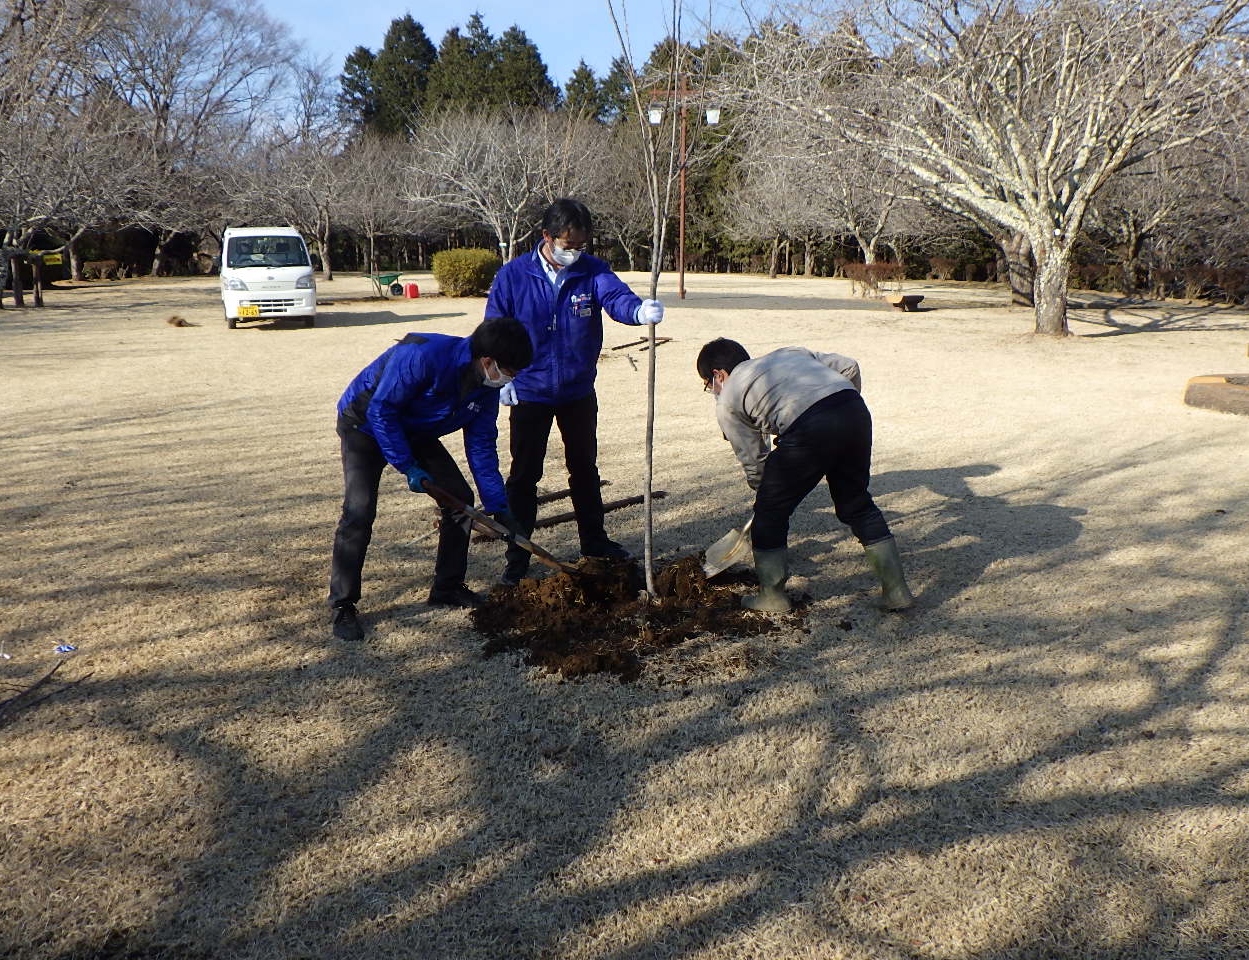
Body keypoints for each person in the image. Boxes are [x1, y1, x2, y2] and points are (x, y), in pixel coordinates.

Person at [485, 197, 664, 585]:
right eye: (569, 245)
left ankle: (595, 544)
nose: (576, 253)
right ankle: (518, 554)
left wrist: (637, 311)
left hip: (577, 391)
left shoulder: (592, 271)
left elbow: (616, 298)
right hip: (529, 392)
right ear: (547, 237)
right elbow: (493, 331)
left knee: (584, 470)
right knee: (524, 475)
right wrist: (501, 379)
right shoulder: (513, 276)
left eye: (582, 245)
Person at [327, 317, 534, 641]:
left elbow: (480, 445)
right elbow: (383, 411)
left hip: (414, 429)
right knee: (359, 510)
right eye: (512, 371)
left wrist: (498, 505)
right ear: (488, 361)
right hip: (364, 424)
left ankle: (447, 587)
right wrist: (407, 466)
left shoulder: (485, 389)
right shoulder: (424, 357)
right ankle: (343, 605)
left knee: (459, 500)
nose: (513, 378)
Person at [695, 337, 913, 613]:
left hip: (809, 426)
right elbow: (849, 367)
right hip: (853, 411)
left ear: (718, 375)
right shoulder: (789, 353)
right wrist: (840, 414)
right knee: (856, 504)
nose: (712, 391)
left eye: (708, 384)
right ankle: (897, 592)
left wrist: (766, 496)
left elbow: (753, 459)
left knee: (770, 514)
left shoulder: (727, 398)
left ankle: (772, 597)